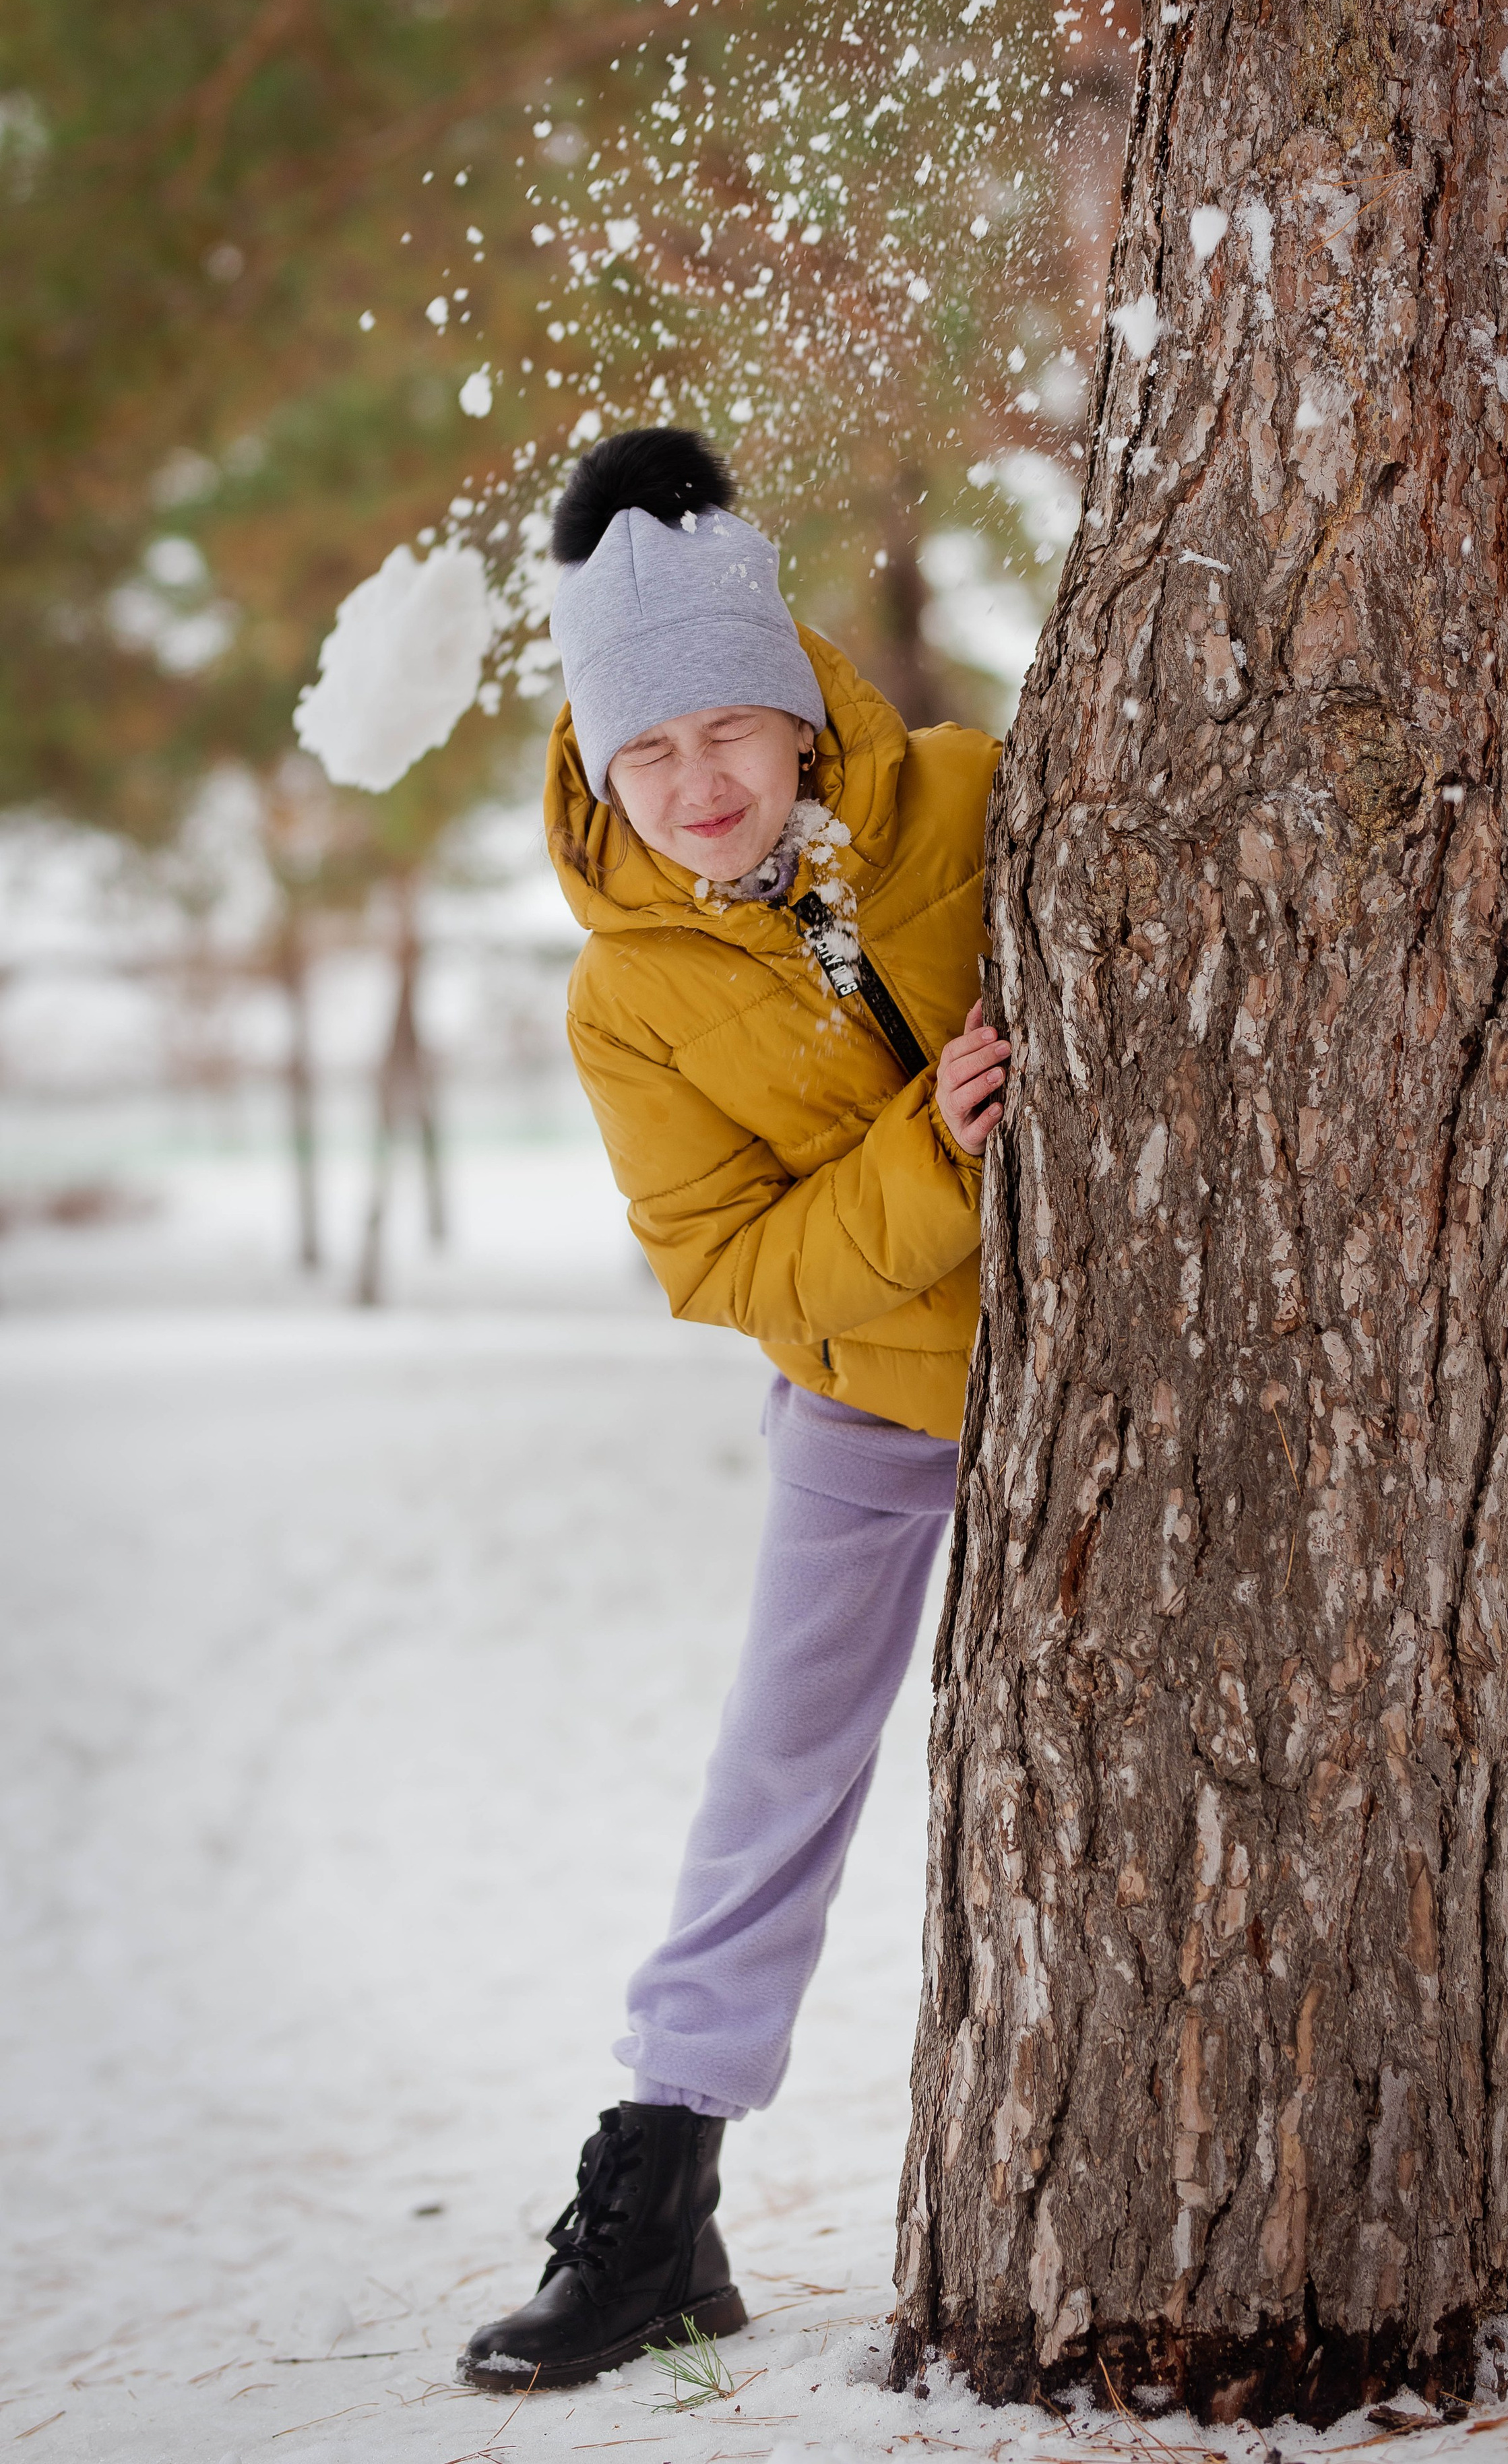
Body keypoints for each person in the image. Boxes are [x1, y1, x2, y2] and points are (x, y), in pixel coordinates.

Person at [460, 428, 1008, 2394]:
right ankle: (660, 2187)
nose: (699, 786)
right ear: (601, 770)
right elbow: (728, 1263)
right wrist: (930, 1163)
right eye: (648, 754)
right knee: (775, 1775)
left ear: (792, 707)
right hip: (870, 1409)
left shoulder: (968, 793)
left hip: (1122, 1379)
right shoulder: (626, 996)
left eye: (729, 730)